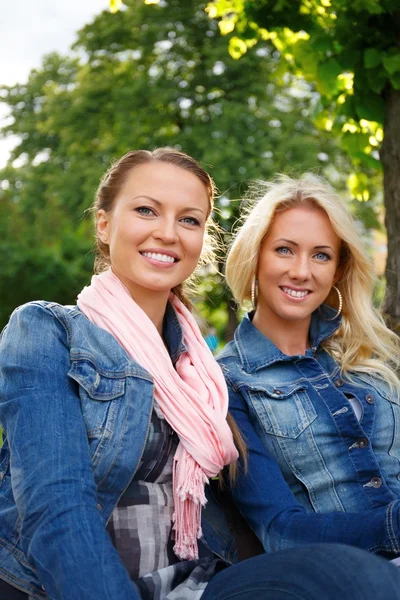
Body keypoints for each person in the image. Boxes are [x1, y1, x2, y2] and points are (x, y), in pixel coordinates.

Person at [1, 153, 400, 600]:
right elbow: (57, 506)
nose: (167, 233)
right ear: (104, 224)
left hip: (197, 583)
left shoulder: (203, 375)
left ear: (201, 241)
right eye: (146, 210)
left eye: (188, 220)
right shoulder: (47, 330)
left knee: (357, 578)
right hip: (74, 585)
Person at [217, 173, 400, 557]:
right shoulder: (228, 381)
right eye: (284, 249)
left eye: (321, 255)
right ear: (255, 256)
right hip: (349, 576)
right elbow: (280, 531)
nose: (302, 271)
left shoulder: (369, 355)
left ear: (337, 270)